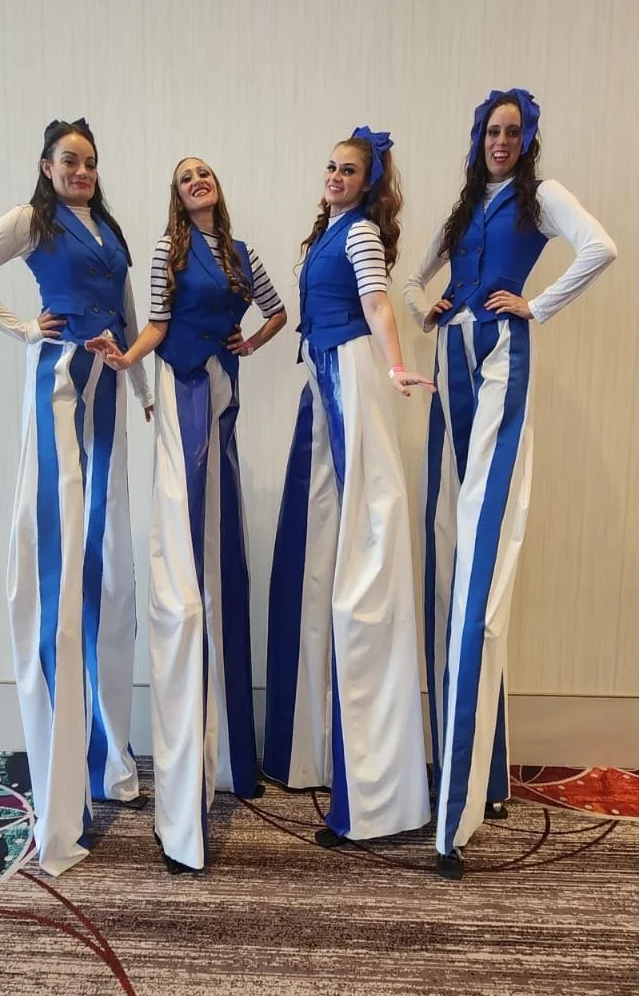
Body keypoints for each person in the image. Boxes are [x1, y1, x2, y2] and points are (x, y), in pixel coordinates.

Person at [403, 88, 617, 879]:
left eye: (511, 130)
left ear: (526, 137)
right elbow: (414, 274)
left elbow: (599, 248)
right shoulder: (465, 204)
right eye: (490, 130)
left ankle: (453, 813)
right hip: (449, 367)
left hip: (498, 366)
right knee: (447, 552)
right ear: (477, 137)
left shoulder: (542, 195)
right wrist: (429, 308)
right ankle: (479, 777)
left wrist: (537, 306)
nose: (500, 140)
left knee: (479, 571)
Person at [0, 118, 153, 877]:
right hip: (61, 385)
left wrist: (141, 388)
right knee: (60, 577)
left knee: (108, 577)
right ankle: (62, 793)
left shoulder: (109, 229)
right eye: (70, 160)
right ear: (46, 164)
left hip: (107, 392)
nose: (82, 171)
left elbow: (129, 315)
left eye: (91, 162)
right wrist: (25, 331)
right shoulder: (30, 220)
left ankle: (107, 759)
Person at [88, 157, 287, 873]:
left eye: (203, 174)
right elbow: (157, 325)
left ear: (217, 187)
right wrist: (123, 358)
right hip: (175, 388)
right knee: (181, 532)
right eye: (184, 178)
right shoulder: (166, 253)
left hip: (219, 385)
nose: (195, 182)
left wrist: (254, 342)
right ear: (176, 197)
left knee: (212, 535)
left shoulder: (242, 255)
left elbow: (277, 311)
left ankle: (224, 752)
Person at [262, 127, 433, 851]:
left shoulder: (359, 234)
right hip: (324, 376)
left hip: (353, 375)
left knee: (367, 553)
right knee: (326, 556)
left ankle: (375, 791)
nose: (335, 176)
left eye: (349, 170)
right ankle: (320, 755)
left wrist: (394, 368)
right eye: (331, 166)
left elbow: (376, 304)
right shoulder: (328, 233)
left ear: (368, 183)